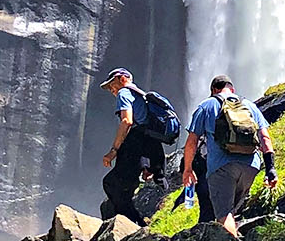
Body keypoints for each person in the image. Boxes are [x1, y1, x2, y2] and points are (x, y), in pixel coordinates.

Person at [182, 75, 275, 231]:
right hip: (251, 166)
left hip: (221, 167)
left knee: (224, 215)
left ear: (213, 90)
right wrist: (271, 169)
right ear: (232, 89)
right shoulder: (250, 106)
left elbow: (192, 142)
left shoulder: (206, 106)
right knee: (231, 212)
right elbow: (265, 138)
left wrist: (188, 169)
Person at [99, 67, 175, 223]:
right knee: (124, 191)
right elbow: (147, 135)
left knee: (111, 184)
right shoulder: (142, 97)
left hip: (133, 148)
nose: (111, 90)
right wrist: (148, 165)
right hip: (148, 149)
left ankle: (133, 224)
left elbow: (127, 121)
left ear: (122, 79)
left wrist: (113, 151)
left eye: (112, 85)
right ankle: (140, 221)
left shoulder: (124, 93)